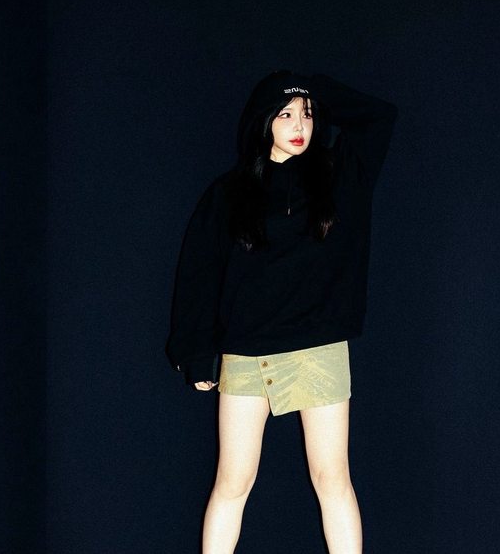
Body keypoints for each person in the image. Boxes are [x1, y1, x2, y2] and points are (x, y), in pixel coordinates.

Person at [166, 69, 398, 553]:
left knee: (332, 478)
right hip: (248, 352)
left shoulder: (339, 177)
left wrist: (308, 85)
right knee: (232, 481)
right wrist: (195, 351)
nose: (299, 125)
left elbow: (379, 117)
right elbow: (199, 274)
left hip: (318, 346)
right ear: (264, 120)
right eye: (286, 114)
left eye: (308, 114)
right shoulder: (230, 193)